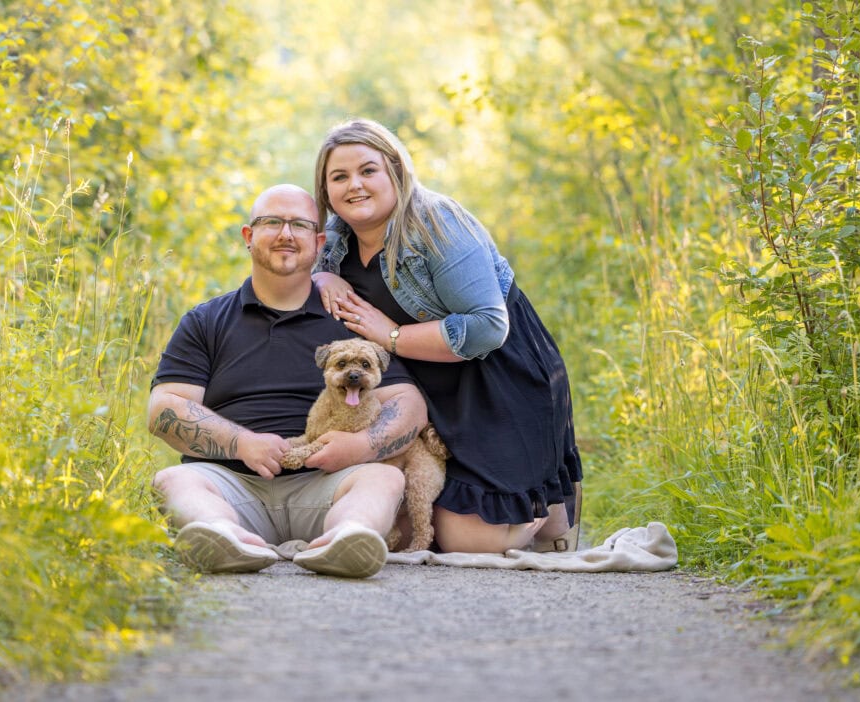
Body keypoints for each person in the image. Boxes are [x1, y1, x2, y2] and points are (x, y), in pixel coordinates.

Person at [312, 118, 583, 554]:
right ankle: (531, 511)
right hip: (427, 395)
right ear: (325, 192)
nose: (354, 186)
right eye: (339, 177)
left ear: (396, 172)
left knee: (468, 541)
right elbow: (295, 270)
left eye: (368, 170)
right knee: (411, 520)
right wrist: (322, 279)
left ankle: (546, 507)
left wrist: (392, 335)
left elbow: (488, 327)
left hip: (497, 382)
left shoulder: (437, 223)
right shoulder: (337, 240)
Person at [149, 184, 428, 579]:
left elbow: (409, 403)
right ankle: (221, 537)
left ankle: (347, 539)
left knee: (383, 476)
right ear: (249, 236)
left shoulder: (348, 319)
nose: (285, 234)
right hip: (232, 484)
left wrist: (359, 446)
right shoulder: (205, 321)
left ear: (317, 242)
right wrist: (241, 443)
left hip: (327, 484)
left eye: (299, 224)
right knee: (174, 479)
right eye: (272, 222)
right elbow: (164, 408)